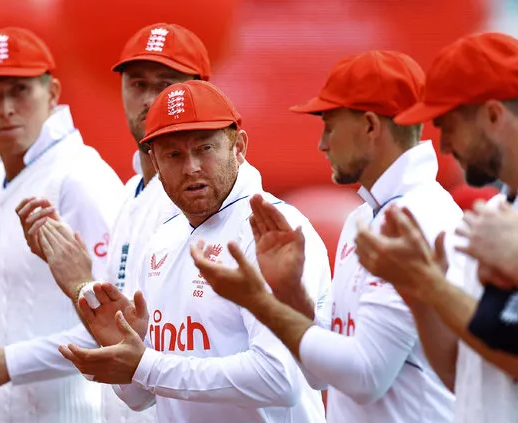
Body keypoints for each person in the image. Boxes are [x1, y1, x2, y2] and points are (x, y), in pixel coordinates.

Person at [190, 50, 462, 423]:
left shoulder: (418, 217)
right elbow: (322, 374)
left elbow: (366, 377)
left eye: (330, 125)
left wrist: (259, 301)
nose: (322, 143)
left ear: (370, 126)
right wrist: (289, 293)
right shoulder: (366, 216)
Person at [37, 80, 331, 423]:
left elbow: (279, 378)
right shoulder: (163, 239)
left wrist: (146, 364)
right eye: (174, 154)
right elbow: (144, 397)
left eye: (205, 148)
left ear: (239, 147)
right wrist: (125, 351)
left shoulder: (271, 229)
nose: (191, 167)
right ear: (155, 164)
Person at [4, 22, 211, 423]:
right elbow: (122, 325)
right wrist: (71, 271)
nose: (149, 99)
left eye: (166, 83)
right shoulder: (133, 188)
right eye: (137, 84)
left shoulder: (202, 197)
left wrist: (80, 282)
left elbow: (190, 338)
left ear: (201, 90)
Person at [0, 27, 124, 423]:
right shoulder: (0, 178)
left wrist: (9, 362)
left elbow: (122, 324)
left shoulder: (80, 177)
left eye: (20, 90)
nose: (6, 107)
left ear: (53, 93)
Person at [354, 32, 518, 423]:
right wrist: (418, 291)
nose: (442, 145)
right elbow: (459, 373)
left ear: (494, 115)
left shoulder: (495, 226)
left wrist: (432, 286)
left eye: (448, 125)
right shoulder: (494, 214)